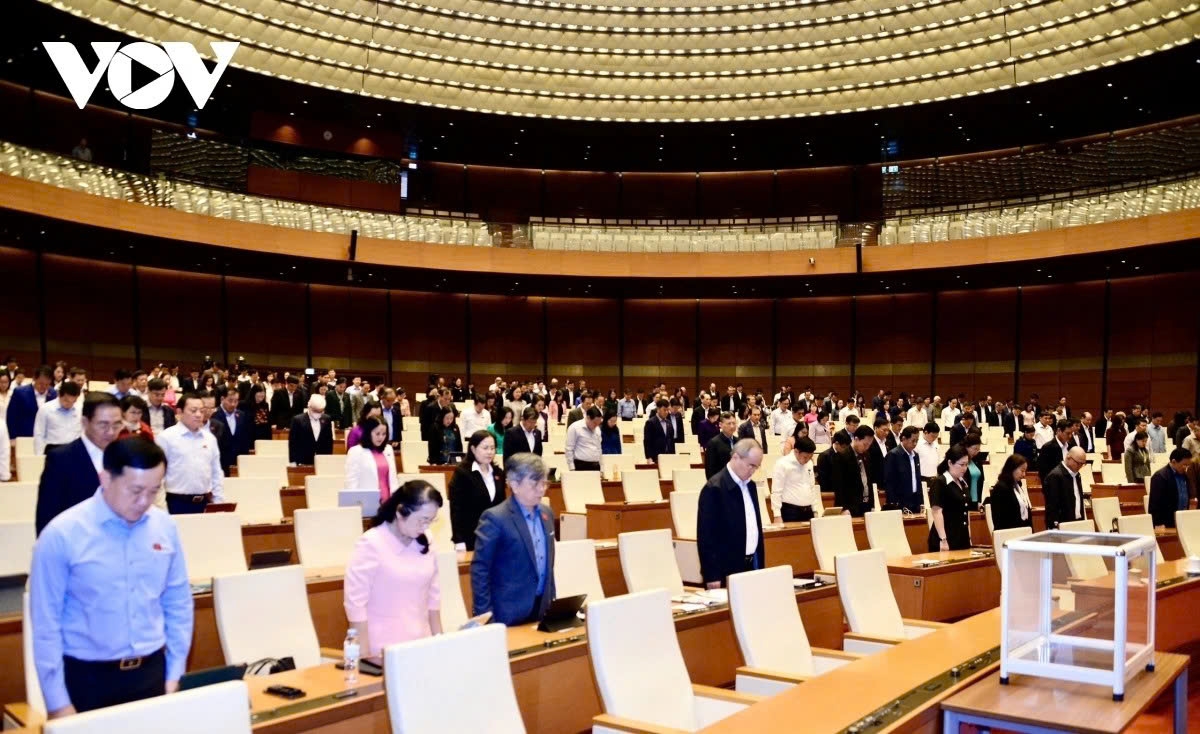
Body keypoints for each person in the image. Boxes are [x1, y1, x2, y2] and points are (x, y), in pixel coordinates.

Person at [30, 437, 192, 717]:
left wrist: (174, 672)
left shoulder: (164, 527)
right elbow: (46, 624)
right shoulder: (62, 534)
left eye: (153, 491)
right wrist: (57, 702)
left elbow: (178, 602)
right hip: (87, 679)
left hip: (152, 673)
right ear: (105, 479)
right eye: (135, 490)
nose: (144, 502)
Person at [343, 480, 443, 656]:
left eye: (430, 521)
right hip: (384, 650)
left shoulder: (426, 541)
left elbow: (433, 599)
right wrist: (365, 658)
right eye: (422, 520)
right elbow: (356, 606)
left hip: (423, 644)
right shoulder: (371, 543)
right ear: (400, 511)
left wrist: (441, 643)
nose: (426, 527)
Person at [470, 453, 556, 624]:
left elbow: (548, 565)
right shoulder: (495, 518)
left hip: (542, 609)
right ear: (515, 485)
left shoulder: (547, 513)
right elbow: (480, 570)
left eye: (544, 483)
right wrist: (485, 618)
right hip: (508, 613)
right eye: (535, 484)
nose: (541, 489)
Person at [34, 393, 123, 535]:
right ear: (85, 422)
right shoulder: (61, 459)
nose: (111, 432)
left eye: (117, 424)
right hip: (77, 547)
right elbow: (47, 518)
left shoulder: (125, 456)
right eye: (103, 424)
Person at [697, 439, 765, 588]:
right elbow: (706, 537)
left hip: (752, 564)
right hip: (725, 570)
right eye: (751, 465)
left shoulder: (751, 486)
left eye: (757, 467)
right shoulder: (714, 488)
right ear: (735, 458)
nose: (753, 471)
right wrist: (712, 574)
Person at [155, 393, 224, 514]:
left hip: (205, 502)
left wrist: (219, 502)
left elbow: (216, 472)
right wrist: (161, 508)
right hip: (175, 503)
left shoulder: (210, 439)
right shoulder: (166, 438)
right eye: (193, 410)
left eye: (201, 411)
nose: (198, 415)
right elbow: (157, 476)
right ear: (179, 412)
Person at [449, 431, 506, 551]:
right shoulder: (462, 473)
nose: (490, 452)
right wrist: (459, 540)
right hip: (472, 537)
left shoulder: (498, 473)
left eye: (492, 448)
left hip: (497, 536)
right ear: (473, 449)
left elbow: (503, 506)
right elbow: (456, 509)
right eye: (485, 448)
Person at [927, 445, 973, 552]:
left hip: (962, 537)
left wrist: (969, 535)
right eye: (961, 464)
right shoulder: (940, 482)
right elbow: (937, 512)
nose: (964, 468)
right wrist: (943, 540)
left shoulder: (963, 482)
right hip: (946, 537)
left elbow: (965, 511)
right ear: (950, 463)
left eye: (966, 464)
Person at [345, 418, 399, 502]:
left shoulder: (388, 449)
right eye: (377, 434)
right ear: (368, 432)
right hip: (366, 502)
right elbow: (351, 483)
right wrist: (354, 506)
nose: (381, 437)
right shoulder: (355, 452)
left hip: (388, 502)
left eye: (384, 434)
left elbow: (393, 478)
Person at [771, 436, 821, 522]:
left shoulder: (809, 463)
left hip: (808, 511)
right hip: (790, 512)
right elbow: (776, 491)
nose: (807, 460)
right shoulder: (782, 464)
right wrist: (777, 515)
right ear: (796, 451)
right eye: (805, 457)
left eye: (810, 457)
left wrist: (815, 510)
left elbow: (812, 487)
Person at [831, 426, 876, 517]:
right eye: (865, 444)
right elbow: (839, 486)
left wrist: (872, 504)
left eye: (869, 445)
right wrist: (843, 508)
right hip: (850, 506)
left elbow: (868, 481)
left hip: (866, 505)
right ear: (856, 439)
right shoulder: (841, 456)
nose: (867, 448)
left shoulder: (866, 455)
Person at [1043, 447, 1089, 529]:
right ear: (1068, 457)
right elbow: (1052, 505)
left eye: (1082, 464)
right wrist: (1054, 525)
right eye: (1078, 463)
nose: (1080, 466)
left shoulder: (1077, 475)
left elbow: (1078, 499)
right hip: (1062, 524)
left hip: (1077, 522)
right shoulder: (1055, 476)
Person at [33, 381, 83, 455]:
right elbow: (39, 434)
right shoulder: (46, 409)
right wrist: (39, 456)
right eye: (66, 401)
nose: (69, 404)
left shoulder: (80, 409)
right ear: (59, 394)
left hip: (74, 450)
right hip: (53, 449)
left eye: (73, 401)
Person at [7, 365, 56, 438]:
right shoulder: (20, 393)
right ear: (34, 379)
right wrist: (12, 437)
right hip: (24, 437)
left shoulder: (53, 394)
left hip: (47, 438)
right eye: (41, 383)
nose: (44, 387)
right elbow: (11, 418)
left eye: (47, 384)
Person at [1148, 449, 1193, 528]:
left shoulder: (1184, 475)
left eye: (1188, 465)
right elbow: (1155, 503)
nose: (1186, 468)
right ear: (1174, 461)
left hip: (1182, 521)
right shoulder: (1160, 476)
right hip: (1166, 523)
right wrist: (1158, 523)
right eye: (1184, 464)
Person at [988, 454, 1034, 531]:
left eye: (1025, 471)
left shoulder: (1017, 486)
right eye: (1022, 471)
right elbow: (1000, 519)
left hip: (1023, 531)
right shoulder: (1000, 488)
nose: (1024, 475)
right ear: (1012, 468)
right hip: (1009, 533)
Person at [883, 426, 923, 513]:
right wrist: (893, 502)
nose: (915, 443)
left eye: (917, 440)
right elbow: (888, 481)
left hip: (915, 500)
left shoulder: (915, 455)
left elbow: (917, 479)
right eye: (913, 440)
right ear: (904, 438)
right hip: (900, 501)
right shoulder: (893, 455)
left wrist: (920, 501)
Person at [289, 395, 334, 466]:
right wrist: (293, 461)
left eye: (320, 411)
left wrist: (328, 459)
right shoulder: (297, 420)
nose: (317, 414)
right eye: (315, 411)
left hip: (322, 460)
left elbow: (329, 441)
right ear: (309, 407)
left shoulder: (327, 419)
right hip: (303, 461)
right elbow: (293, 443)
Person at [564, 406, 603, 471]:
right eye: (594, 423)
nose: (596, 426)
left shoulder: (597, 429)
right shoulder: (575, 427)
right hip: (581, 465)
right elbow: (569, 449)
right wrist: (571, 467)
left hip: (596, 465)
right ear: (588, 418)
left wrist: (601, 467)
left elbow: (599, 449)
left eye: (598, 424)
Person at [705, 411, 739, 479]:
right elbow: (710, 471)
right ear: (720, 424)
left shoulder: (739, 441)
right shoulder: (713, 443)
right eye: (729, 423)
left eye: (734, 423)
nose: (732, 426)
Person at [643, 399, 675, 464]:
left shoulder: (669, 423)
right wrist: (649, 457)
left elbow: (671, 441)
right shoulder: (650, 422)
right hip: (655, 457)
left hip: (668, 456)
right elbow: (647, 441)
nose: (666, 412)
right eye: (664, 410)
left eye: (667, 410)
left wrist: (673, 455)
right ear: (658, 409)